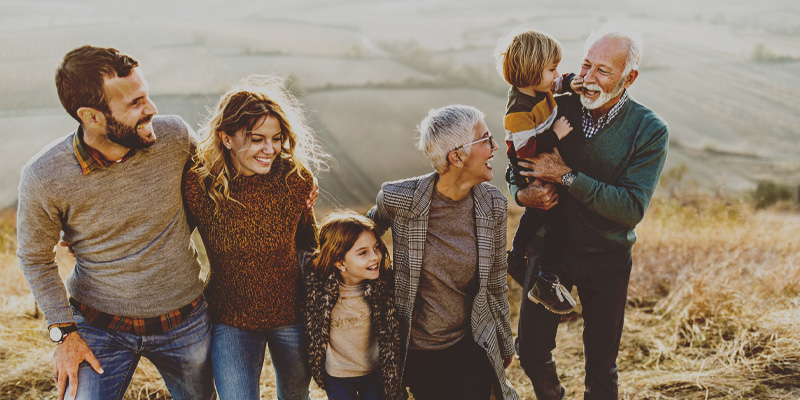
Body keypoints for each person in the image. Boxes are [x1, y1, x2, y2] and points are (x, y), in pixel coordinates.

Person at [16, 45, 215, 400]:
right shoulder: (44, 176)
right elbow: (34, 257)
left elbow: (220, 191)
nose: (151, 109)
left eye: (147, 95)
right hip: (97, 327)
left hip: (185, 321)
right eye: (135, 103)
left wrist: (295, 186)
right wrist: (65, 333)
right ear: (91, 117)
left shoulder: (175, 138)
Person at [513, 24, 669, 400]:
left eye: (603, 70)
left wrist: (567, 178)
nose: (589, 78)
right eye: (585, 65)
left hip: (607, 256)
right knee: (531, 351)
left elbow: (630, 208)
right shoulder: (556, 104)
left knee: (602, 366)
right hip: (549, 248)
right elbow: (518, 159)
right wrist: (522, 197)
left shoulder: (649, 131)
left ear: (628, 78)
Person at [181, 74, 325, 400]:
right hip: (230, 318)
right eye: (256, 138)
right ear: (226, 138)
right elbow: (170, 236)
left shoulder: (295, 178)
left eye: (276, 138)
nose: (269, 149)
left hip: (292, 314)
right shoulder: (199, 184)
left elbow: (309, 244)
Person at [367, 105, 518, 400]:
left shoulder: (493, 205)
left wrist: (504, 341)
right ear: (457, 156)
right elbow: (361, 231)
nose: (495, 146)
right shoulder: (400, 198)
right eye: (486, 139)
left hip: (469, 340)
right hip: (416, 346)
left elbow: (496, 281)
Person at [494, 28, 576, 314]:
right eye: (552, 69)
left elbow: (557, 85)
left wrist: (571, 82)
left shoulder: (539, 88)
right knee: (557, 223)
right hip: (528, 169)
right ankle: (545, 280)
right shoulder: (518, 109)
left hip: (536, 164)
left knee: (534, 214)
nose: (557, 75)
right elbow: (525, 149)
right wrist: (555, 134)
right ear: (531, 72)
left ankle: (515, 256)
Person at [304, 211, 401, 400]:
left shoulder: (383, 289)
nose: (375, 257)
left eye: (376, 248)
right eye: (363, 253)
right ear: (340, 262)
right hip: (337, 377)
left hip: (374, 374)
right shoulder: (319, 291)